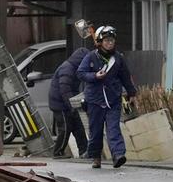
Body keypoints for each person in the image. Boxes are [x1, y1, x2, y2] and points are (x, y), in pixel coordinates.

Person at [79, 25, 138, 168]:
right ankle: (96, 156)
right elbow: (80, 73)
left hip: (113, 99)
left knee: (113, 128)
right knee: (96, 130)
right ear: (100, 42)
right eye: (106, 40)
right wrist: (94, 75)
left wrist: (132, 93)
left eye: (111, 40)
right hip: (94, 100)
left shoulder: (118, 59)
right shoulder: (91, 57)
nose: (110, 43)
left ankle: (118, 155)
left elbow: (125, 77)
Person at [47, 20, 92, 158]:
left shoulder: (74, 67)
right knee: (65, 128)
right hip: (60, 104)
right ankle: (58, 152)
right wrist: (71, 106)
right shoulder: (68, 69)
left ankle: (84, 151)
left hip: (67, 103)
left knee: (78, 127)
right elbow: (64, 90)